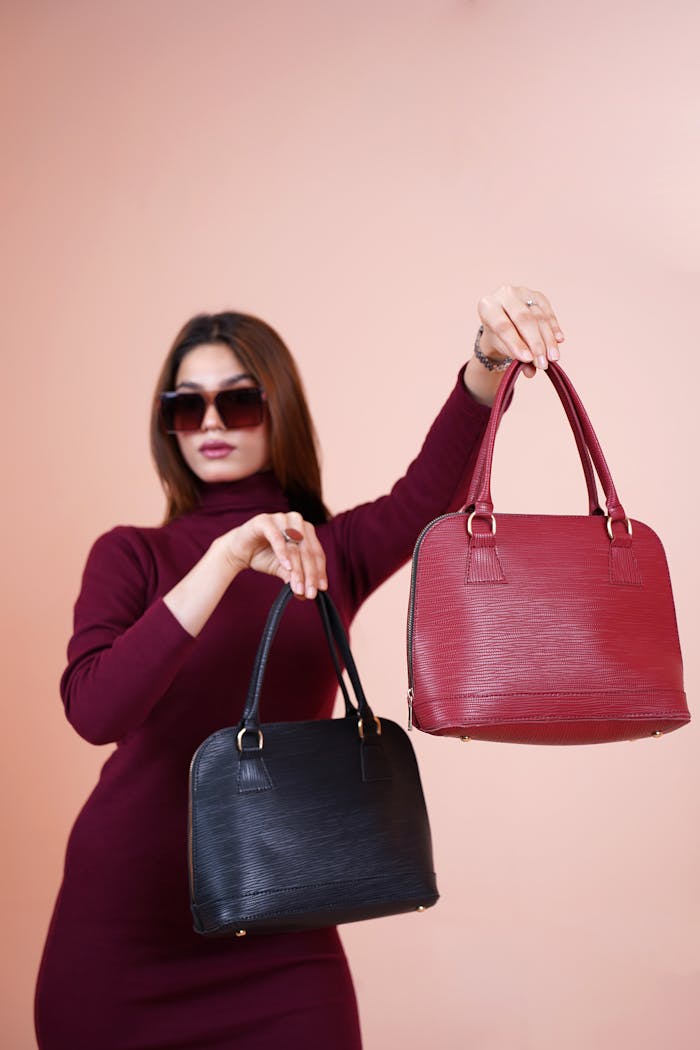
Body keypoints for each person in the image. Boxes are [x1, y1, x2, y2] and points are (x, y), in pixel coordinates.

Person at [34, 286, 565, 1049]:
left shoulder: (331, 551)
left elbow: (432, 488)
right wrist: (223, 559)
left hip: (279, 928)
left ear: (276, 407)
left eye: (237, 401)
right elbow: (95, 712)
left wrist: (488, 357)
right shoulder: (131, 555)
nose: (211, 423)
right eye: (187, 407)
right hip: (122, 937)